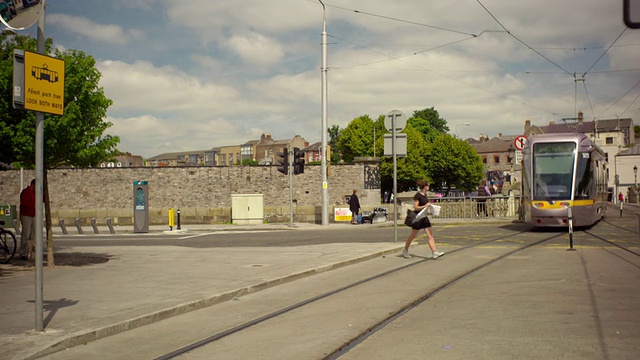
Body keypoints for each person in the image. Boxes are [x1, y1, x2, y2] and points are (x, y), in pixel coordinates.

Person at [401, 180, 443, 259]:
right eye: (428, 186)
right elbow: (416, 207)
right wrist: (424, 206)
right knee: (413, 235)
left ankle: (434, 252)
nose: (429, 187)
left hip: (424, 217)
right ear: (425, 186)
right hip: (418, 217)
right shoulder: (418, 195)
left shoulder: (425, 195)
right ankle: (405, 250)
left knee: (430, 235)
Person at [19, 179, 36, 260]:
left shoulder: (37, 193)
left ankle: (31, 251)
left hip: (34, 214)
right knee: (26, 233)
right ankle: (23, 252)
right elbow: (24, 203)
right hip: (26, 215)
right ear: (33, 185)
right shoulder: (26, 192)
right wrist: (33, 205)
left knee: (33, 234)